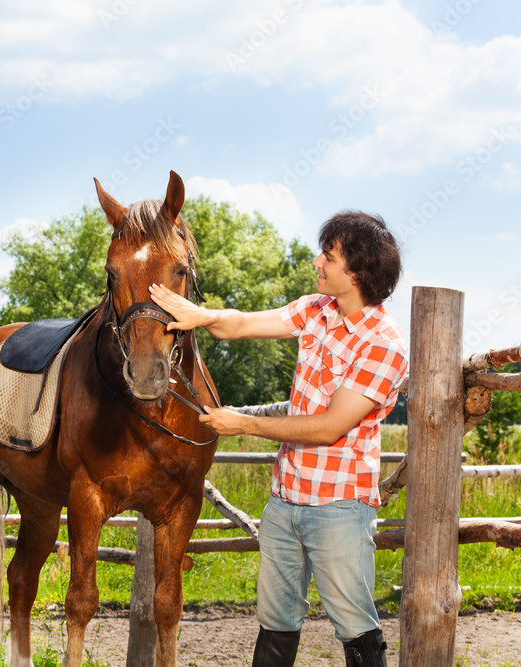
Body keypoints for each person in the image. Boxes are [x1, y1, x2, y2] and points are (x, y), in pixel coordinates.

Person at [149, 211, 406, 667]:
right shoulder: (315, 310)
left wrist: (243, 424)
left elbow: (329, 426)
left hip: (338, 505)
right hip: (285, 499)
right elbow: (243, 324)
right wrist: (200, 315)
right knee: (275, 621)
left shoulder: (383, 344)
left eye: (328, 257)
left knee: (354, 625)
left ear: (357, 273)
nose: (316, 262)